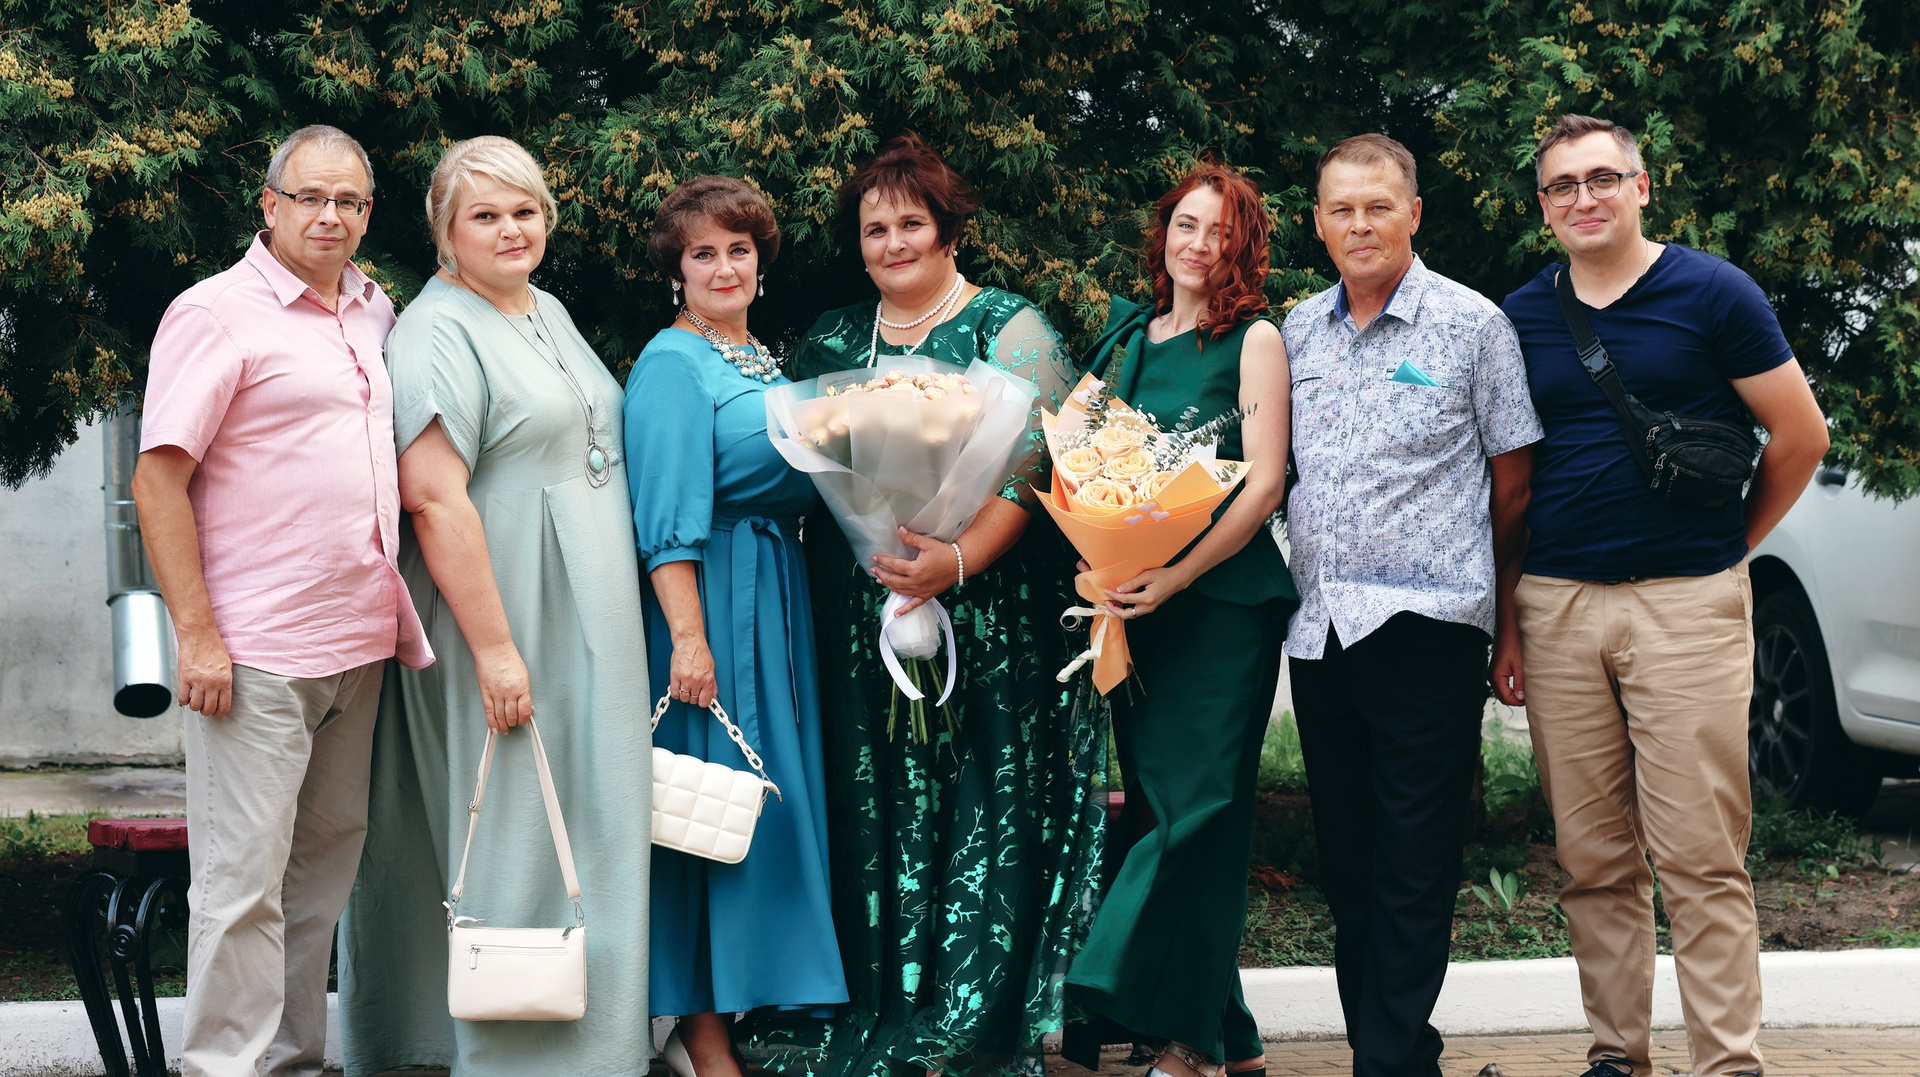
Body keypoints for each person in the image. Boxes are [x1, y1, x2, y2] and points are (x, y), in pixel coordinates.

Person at [735, 132, 1107, 1077]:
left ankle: (968, 1007)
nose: (893, 243)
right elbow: (807, 466)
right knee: (875, 793)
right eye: (875, 229)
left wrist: (956, 557)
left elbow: (1037, 469)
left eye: (911, 223)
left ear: (948, 230)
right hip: (861, 608)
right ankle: (877, 993)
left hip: (984, 614)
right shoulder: (829, 341)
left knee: (976, 788)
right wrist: (880, 548)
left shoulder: (1009, 329)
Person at [1498, 114, 1828, 1077]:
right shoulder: (1522, 315)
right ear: (1544, 207)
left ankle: (1727, 1063)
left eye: (1603, 178)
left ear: (1642, 187)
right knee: (1591, 857)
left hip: (1686, 606)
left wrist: (1730, 549)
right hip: (1557, 604)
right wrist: (1507, 621)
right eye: (1563, 186)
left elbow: (1801, 435)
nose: (1584, 198)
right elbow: (1511, 480)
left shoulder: (1714, 293)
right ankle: (1618, 1056)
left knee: (1699, 853)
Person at [335, 135, 653, 1076]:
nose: (511, 229)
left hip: (589, 618)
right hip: (507, 615)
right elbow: (434, 498)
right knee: (513, 823)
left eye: (525, 210)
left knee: (593, 822)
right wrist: (497, 650)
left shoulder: (546, 307)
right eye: (485, 214)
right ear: (446, 232)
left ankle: (596, 1046)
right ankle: (512, 1051)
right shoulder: (438, 331)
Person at [132, 123, 432, 1077]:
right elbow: (157, 480)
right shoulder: (214, 313)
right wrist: (196, 635)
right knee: (241, 885)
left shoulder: (377, 312)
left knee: (320, 876)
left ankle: (292, 1061)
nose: (329, 215)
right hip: (255, 648)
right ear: (269, 204)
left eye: (349, 200)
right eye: (310, 197)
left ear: (367, 213)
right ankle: (225, 1066)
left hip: (358, 641)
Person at [1280, 133, 1543, 1077]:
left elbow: (1514, 488)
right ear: (1318, 223)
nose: (1360, 224)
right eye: (1342, 209)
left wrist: (1504, 620)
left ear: (1414, 214)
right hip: (1321, 631)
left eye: (1379, 206)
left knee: (1414, 860)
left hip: (1429, 626)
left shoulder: (1474, 326)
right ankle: (1393, 1054)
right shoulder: (1295, 332)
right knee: (1347, 862)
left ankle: (1387, 1063)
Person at [1061, 162, 1297, 1077]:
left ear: (1245, 247)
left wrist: (1176, 575)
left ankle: (1164, 1025)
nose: (1200, 245)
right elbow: (1081, 462)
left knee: (1194, 813)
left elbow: (1263, 483)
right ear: (1163, 233)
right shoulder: (1128, 336)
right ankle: (1226, 1037)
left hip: (1221, 610)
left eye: (1221, 231)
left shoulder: (1254, 340)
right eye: (1186, 225)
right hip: (1135, 610)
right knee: (1173, 808)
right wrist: (1101, 558)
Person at [624, 175, 848, 1077]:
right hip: (708, 602)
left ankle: (744, 1004)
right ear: (676, 270)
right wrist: (689, 639)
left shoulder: (759, 357)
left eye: (740, 250)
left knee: (756, 806)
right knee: (707, 808)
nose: (724, 267)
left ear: (762, 260)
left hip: (773, 593)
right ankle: (700, 1027)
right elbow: (663, 521)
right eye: (703, 253)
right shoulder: (673, 362)